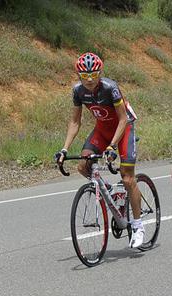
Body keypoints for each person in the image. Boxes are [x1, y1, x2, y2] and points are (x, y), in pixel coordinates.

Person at [54, 52, 144, 248]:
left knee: (128, 178)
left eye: (93, 75)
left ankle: (137, 225)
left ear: (100, 73)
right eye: (84, 76)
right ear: (78, 75)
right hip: (102, 130)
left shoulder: (110, 88)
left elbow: (123, 119)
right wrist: (64, 149)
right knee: (83, 165)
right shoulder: (78, 91)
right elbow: (75, 121)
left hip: (123, 128)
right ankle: (108, 190)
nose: (89, 80)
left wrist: (112, 146)